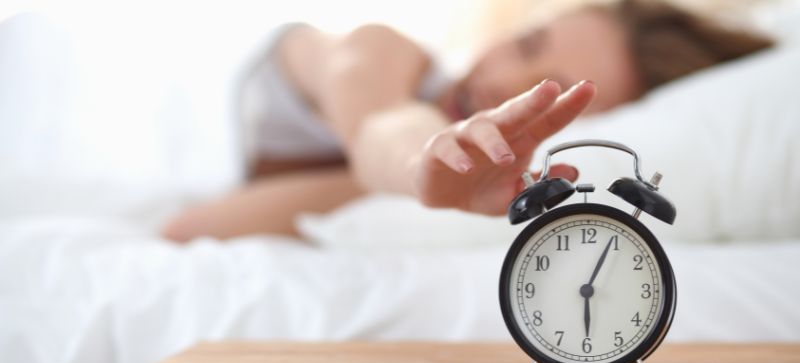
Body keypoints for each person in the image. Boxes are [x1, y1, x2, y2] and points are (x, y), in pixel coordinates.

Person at [162, 0, 773, 241]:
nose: (505, 83)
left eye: (547, 97)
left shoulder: (465, 172)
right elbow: (383, 128)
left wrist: (436, 176)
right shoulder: (380, 51)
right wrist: (422, 160)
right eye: (528, 46)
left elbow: (194, 230)